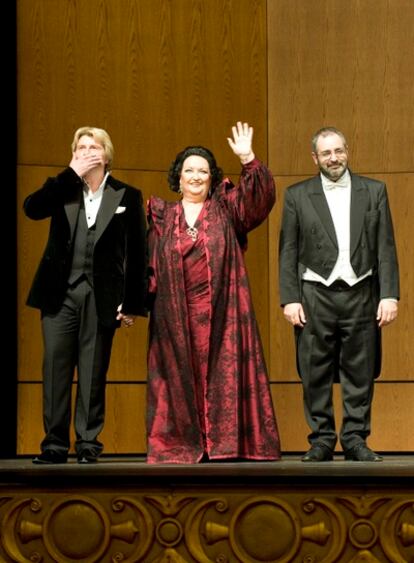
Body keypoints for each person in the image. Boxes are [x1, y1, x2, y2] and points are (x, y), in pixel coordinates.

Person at [146, 121, 281, 464]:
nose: (195, 176)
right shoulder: (163, 216)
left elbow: (259, 200)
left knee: (222, 381)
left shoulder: (226, 209)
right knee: (178, 384)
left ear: (211, 177)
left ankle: (224, 445)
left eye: (202, 171)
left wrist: (249, 158)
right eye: (189, 170)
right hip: (176, 317)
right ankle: (183, 446)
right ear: (178, 177)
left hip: (223, 317)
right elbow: (148, 268)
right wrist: (132, 303)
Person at [24, 126, 147, 464]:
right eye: (81, 147)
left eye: (94, 147)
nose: (87, 151)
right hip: (58, 293)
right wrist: (70, 173)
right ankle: (54, 444)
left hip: (101, 295)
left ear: (106, 155)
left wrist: (133, 303)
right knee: (55, 368)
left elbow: (138, 253)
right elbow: (32, 208)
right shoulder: (62, 188)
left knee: (94, 371)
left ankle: (89, 443)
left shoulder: (126, 195)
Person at [279, 126, 399, 462]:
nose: (334, 158)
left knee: (360, 370)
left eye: (339, 151)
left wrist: (389, 294)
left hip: (362, 291)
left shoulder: (374, 191)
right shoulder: (297, 195)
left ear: (347, 151)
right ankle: (321, 439)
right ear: (315, 157)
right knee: (313, 368)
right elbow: (288, 250)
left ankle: (355, 438)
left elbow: (386, 246)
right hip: (315, 293)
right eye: (327, 153)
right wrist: (290, 298)